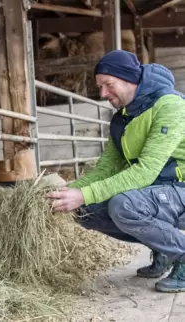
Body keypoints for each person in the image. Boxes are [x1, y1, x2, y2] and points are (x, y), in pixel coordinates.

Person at [45, 49, 185, 293]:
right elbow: (106, 169)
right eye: (100, 86)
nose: (103, 94)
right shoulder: (122, 118)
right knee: (82, 210)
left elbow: (145, 172)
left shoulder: (169, 105)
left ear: (130, 79)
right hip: (157, 194)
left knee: (124, 205)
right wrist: (72, 191)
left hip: (180, 191)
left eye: (108, 84)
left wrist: (85, 193)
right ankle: (164, 248)